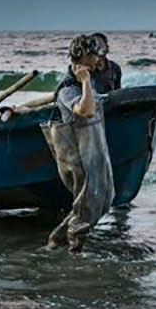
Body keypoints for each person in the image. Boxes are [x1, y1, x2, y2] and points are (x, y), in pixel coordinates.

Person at [43, 34, 115, 252]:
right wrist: (84, 81)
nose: (98, 60)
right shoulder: (68, 87)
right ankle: (73, 251)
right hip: (79, 154)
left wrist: (87, 82)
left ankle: (57, 242)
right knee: (85, 206)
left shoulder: (89, 81)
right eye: (94, 55)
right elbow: (85, 110)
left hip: (94, 152)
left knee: (103, 199)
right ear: (82, 55)